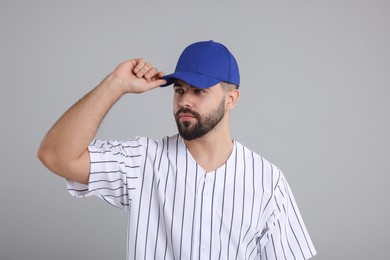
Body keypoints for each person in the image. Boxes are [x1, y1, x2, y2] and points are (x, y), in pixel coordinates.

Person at [38, 40, 316, 260]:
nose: (185, 101)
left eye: (199, 91)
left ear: (231, 99)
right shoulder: (142, 161)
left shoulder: (267, 181)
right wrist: (116, 84)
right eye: (180, 90)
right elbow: (55, 155)